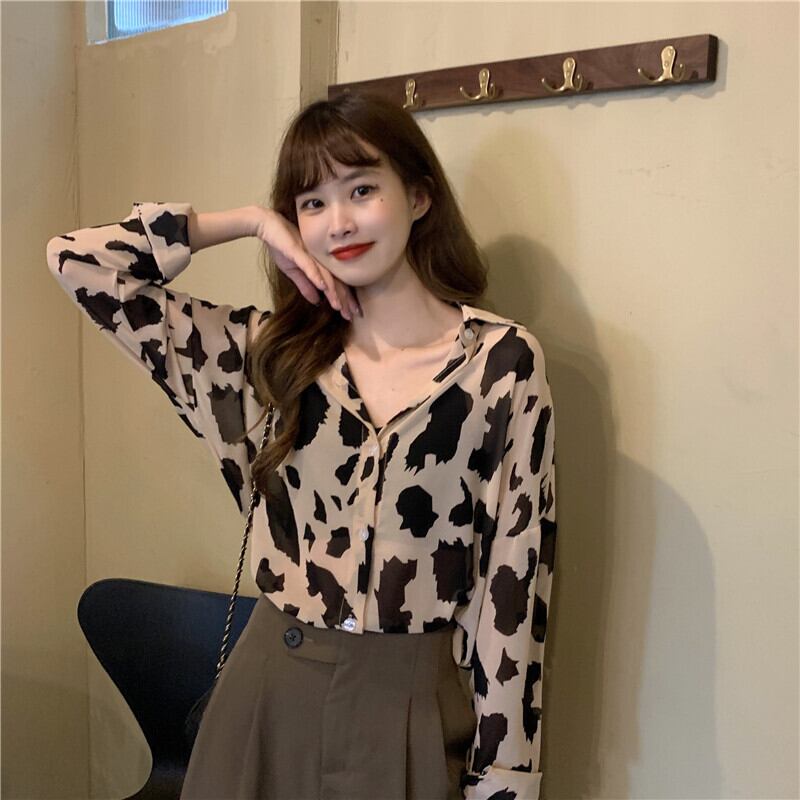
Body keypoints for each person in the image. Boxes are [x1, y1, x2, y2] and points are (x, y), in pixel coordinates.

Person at [46, 92, 557, 800]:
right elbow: (76, 261)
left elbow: (515, 584)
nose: (338, 222)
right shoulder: (264, 356)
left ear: (418, 196)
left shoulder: (500, 365)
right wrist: (250, 222)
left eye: (362, 190)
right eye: (312, 203)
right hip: (267, 697)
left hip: (408, 704)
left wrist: (506, 776)